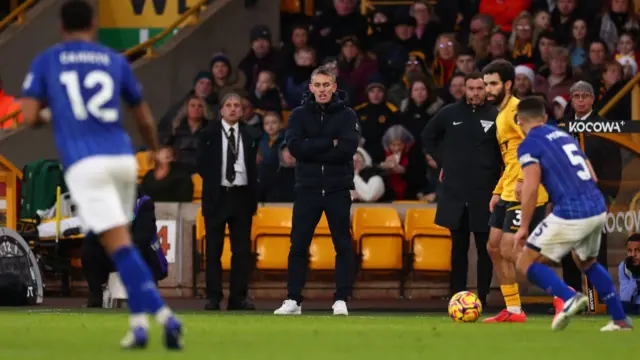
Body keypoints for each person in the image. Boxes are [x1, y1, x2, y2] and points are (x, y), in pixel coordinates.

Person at [18, 0, 182, 350]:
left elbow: (28, 117)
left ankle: (166, 318)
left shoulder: (48, 60)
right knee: (122, 243)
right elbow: (143, 117)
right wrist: (155, 153)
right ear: (94, 25)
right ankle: (141, 326)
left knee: (119, 247)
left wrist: (57, 115)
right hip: (122, 161)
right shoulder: (113, 60)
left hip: (87, 164)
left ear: (61, 27)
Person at [513, 96, 632, 332]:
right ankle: (620, 319)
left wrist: (524, 226)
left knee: (523, 261)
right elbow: (593, 176)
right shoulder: (564, 136)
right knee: (586, 261)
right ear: (545, 118)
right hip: (597, 206)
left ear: (519, 120)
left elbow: (531, 188)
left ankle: (568, 297)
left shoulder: (529, 144)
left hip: (572, 211)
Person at [274, 65, 359, 316]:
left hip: (337, 188)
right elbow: (295, 148)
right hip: (307, 188)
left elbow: (347, 148)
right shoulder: (298, 115)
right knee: (298, 245)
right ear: (311, 88)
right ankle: (293, 300)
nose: (322, 90)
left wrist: (313, 146)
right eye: (318, 85)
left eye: (326, 85)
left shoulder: (348, 115)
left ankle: (341, 298)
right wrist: (328, 143)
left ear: (334, 87)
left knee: (342, 245)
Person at [421, 72, 502, 306]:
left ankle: (483, 297)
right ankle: (457, 295)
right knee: (458, 247)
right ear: (464, 90)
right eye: (471, 89)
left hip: (485, 191)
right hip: (456, 191)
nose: (475, 93)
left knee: (484, 246)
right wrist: (442, 161)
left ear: (486, 90)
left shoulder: (496, 116)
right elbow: (427, 136)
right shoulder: (449, 113)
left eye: (479, 88)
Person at [482, 60, 550, 323]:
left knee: (511, 250)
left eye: (493, 84)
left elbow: (535, 143)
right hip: (508, 188)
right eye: (486, 83)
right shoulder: (500, 115)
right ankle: (513, 310)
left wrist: (524, 181)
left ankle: (562, 293)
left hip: (523, 190)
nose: (488, 89)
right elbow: (510, 157)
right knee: (493, 248)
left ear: (507, 85)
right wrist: (497, 190)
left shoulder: (515, 112)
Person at [196, 93, 258, 311]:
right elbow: (201, 165)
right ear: (221, 110)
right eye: (228, 105)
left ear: (242, 111)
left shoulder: (251, 135)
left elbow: (253, 167)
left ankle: (238, 298)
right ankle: (213, 297)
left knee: (241, 252)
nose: (233, 109)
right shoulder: (208, 134)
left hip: (242, 197)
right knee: (213, 251)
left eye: (237, 106)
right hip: (217, 196)